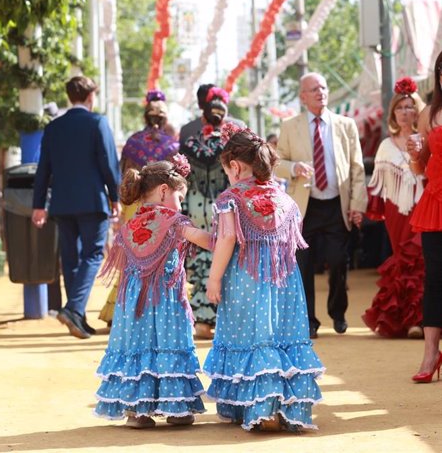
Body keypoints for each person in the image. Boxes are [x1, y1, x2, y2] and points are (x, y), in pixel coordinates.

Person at [203, 129, 324, 432]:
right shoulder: (283, 198)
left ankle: (259, 405)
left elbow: (228, 236)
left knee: (253, 337)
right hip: (284, 279)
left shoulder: (231, 198)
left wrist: (214, 278)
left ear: (236, 166)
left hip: (247, 277)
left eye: (225, 169)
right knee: (281, 336)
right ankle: (284, 406)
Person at [94, 155, 210, 428]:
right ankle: (175, 408)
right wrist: (229, 239)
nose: (180, 205)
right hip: (165, 298)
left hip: (132, 302)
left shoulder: (129, 226)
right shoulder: (174, 222)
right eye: (180, 197)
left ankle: (138, 411)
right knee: (168, 345)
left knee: (137, 347)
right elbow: (203, 240)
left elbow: (125, 264)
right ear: (163, 191)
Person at [276, 72, 367, 339]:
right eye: (314, 89)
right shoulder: (290, 126)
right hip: (305, 208)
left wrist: (358, 204)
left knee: (339, 261)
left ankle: (338, 312)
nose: (321, 92)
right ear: (303, 96)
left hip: (337, 205)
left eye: (324, 87)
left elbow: (357, 168)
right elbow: (276, 163)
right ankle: (309, 321)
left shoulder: (345, 125)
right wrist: (293, 167)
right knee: (303, 266)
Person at [32, 76, 121, 339]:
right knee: (93, 254)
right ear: (91, 96)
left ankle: (77, 316)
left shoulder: (54, 127)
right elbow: (108, 162)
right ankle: (73, 308)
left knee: (70, 259)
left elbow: (43, 169)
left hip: (61, 202)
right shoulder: (98, 122)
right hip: (92, 201)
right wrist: (115, 196)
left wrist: (39, 204)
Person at [98, 89, 179, 326]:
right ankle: (157, 312)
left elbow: (124, 175)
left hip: (135, 208)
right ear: (165, 119)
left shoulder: (133, 142)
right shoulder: (172, 145)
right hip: (164, 208)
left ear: (145, 116)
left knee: (131, 259)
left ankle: (122, 311)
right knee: (160, 259)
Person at [363, 77, 426, 338]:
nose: (405, 112)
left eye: (410, 107)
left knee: (422, 259)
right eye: (400, 107)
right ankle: (403, 320)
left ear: (417, 110)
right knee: (402, 259)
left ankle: (421, 321)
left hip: (424, 207)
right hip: (395, 210)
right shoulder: (385, 146)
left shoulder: (426, 140)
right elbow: (377, 186)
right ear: (393, 113)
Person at [179, 85, 243, 340]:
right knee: (227, 261)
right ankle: (224, 318)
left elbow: (183, 177)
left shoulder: (188, 139)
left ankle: (202, 320)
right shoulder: (233, 142)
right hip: (225, 207)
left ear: (204, 115)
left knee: (198, 262)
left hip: (196, 207)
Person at [407, 50, 442, 383]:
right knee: (434, 279)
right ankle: (431, 353)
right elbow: (420, 168)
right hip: (436, 204)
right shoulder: (429, 113)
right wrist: (415, 155)